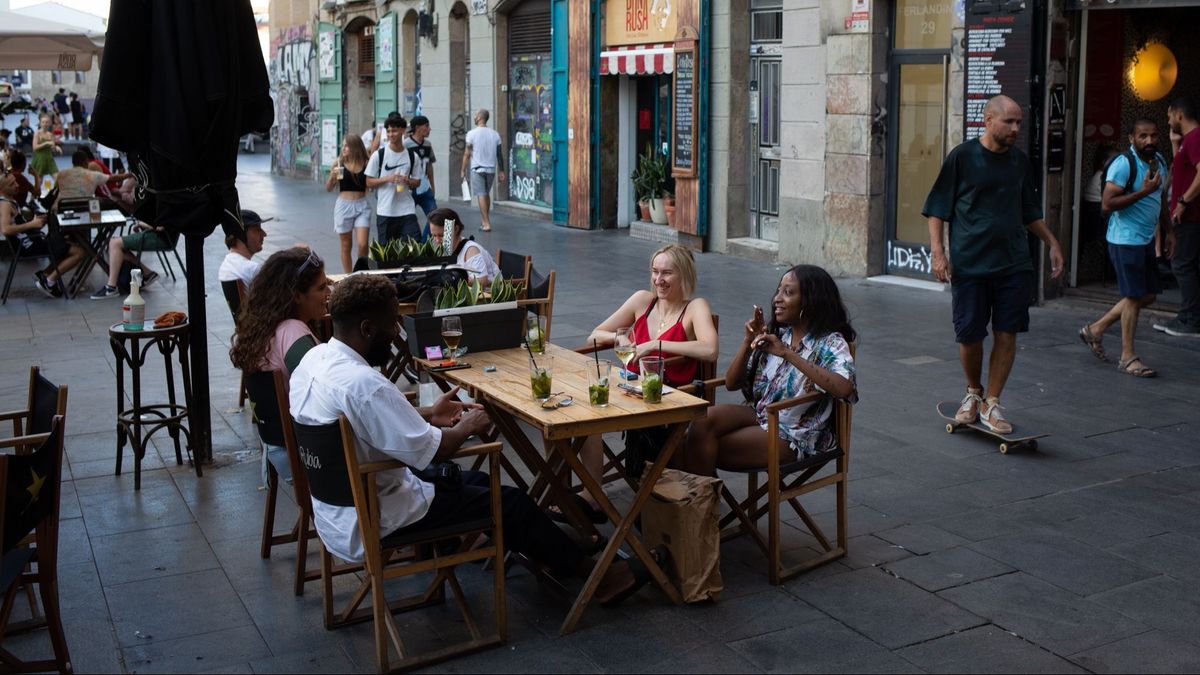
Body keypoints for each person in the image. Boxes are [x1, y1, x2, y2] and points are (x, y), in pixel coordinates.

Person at [289, 273, 650, 604]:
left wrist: (429, 414)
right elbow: (434, 451)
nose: (397, 330)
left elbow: (362, 426)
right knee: (507, 500)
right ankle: (597, 580)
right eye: (391, 323)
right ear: (367, 328)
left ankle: (552, 549)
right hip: (379, 517)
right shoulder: (364, 384)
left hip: (335, 515)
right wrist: (468, 426)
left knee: (476, 480)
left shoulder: (314, 360)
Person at [922, 95, 1065, 435]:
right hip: (971, 265)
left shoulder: (1019, 162)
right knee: (970, 335)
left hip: (1014, 264)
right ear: (988, 120)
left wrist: (1052, 242)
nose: (1017, 129)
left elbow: (1029, 210)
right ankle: (974, 393)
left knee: (1007, 333)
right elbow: (938, 208)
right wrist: (938, 252)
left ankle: (993, 401)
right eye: (1009, 122)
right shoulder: (963, 157)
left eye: (1019, 122)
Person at [557, 244, 718, 515]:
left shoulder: (694, 307)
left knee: (583, 415)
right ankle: (591, 494)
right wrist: (618, 337)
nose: (658, 280)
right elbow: (593, 335)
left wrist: (657, 344)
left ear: (684, 275)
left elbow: (710, 350)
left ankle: (593, 498)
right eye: (655, 272)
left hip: (670, 400)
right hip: (629, 392)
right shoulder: (643, 301)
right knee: (576, 418)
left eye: (667, 273)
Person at [678, 265, 857, 477]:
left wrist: (787, 354)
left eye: (788, 293)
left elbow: (844, 388)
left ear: (810, 301)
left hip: (797, 435)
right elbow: (732, 383)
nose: (777, 299)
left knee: (696, 443)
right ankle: (705, 505)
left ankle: (705, 506)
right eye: (778, 291)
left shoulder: (830, 342)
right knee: (700, 422)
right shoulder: (780, 335)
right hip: (763, 414)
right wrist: (747, 342)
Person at [1078, 120, 1172, 377]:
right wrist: (1142, 192)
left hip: (1145, 240)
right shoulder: (1122, 164)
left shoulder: (1159, 161)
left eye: (1153, 135)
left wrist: (1169, 231)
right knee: (1133, 296)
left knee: (1149, 294)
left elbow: (1160, 197)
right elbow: (1107, 205)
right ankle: (1128, 357)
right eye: (1143, 136)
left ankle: (1096, 329)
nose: (1149, 141)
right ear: (1132, 138)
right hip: (1124, 239)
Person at [231, 247, 330, 485]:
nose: (329, 292)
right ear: (296, 295)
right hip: (309, 460)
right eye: (321, 288)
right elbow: (324, 392)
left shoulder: (262, 329)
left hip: (278, 450)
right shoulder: (293, 333)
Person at [0, 172, 86, 298]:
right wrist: (32, 225)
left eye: (15, 181)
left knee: (69, 244)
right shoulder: (5, 205)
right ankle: (49, 281)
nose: (17, 185)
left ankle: (45, 274)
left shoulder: (9, 201)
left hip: (31, 241)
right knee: (80, 252)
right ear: (1, 188)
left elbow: (18, 226)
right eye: (12, 184)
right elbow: (6, 229)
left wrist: (35, 222)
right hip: (27, 246)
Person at [1159, 97, 1200, 338]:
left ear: (1179, 115)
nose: (1168, 121)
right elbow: (1180, 172)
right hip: (1186, 216)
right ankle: (1187, 316)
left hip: (1191, 216)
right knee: (1185, 265)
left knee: (1183, 266)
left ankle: (1192, 320)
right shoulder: (1187, 141)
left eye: (1169, 116)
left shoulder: (1195, 138)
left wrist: (1183, 202)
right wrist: (1175, 144)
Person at [365, 113, 422, 245]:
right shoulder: (379, 155)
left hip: (407, 210)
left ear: (403, 130)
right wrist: (387, 179)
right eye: (388, 131)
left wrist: (407, 181)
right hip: (385, 211)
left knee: (414, 245)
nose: (391, 134)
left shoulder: (413, 156)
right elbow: (368, 182)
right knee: (386, 255)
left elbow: (417, 182)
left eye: (394, 130)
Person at [325, 134, 371, 273]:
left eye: (346, 145)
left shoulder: (366, 163)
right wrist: (333, 178)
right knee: (346, 245)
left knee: (363, 244)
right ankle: (349, 276)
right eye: (343, 145)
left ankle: (361, 273)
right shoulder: (338, 163)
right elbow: (328, 188)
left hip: (362, 205)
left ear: (355, 147)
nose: (343, 148)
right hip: (343, 206)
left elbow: (370, 184)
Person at [89, 221, 168, 299]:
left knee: (114, 243)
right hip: (159, 235)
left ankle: (111, 288)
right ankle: (148, 273)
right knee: (117, 247)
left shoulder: (167, 209)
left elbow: (160, 227)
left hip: (160, 237)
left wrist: (143, 224)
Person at [427, 208, 500, 286]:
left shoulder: (471, 250)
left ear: (456, 229)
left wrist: (455, 278)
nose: (437, 240)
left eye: (441, 235)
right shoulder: (441, 249)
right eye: (434, 235)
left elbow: (482, 280)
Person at [461, 109, 505, 232]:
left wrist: (462, 169)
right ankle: (485, 219)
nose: (474, 117)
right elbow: (499, 154)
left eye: (475, 115)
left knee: (481, 194)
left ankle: (486, 223)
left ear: (480, 117)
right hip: (491, 169)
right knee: (485, 194)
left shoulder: (471, 134)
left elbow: (467, 153)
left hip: (477, 169)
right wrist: (502, 171)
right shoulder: (495, 134)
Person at [217, 210, 270, 288]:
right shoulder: (252, 269)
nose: (264, 234)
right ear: (240, 234)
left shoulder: (226, 265)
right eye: (257, 229)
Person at [404, 115, 438, 234]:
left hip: (424, 187)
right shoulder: (406, 145)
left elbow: (429, 166)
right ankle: (412, 244)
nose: (429, 129)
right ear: (418, 128)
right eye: (427, 126)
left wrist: (432, 186)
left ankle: (425, 243)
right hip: (410, 187)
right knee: (407, 219)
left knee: (435, 216)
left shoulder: (428, 144)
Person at [56, 150, 131, 201]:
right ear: (85, 161)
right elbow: (113, 178)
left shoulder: (61, 174)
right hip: (85, 207)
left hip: (63, 207)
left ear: (72, 162)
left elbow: (56, 189)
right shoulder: (92, 174)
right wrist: (129, 175)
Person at [29, 115, 61, 189]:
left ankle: (54, 196)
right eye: (43, 122)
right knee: (39, 182)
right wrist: (46, 143)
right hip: (40, 159)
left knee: (58, 179)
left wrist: (56, 147)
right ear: (40, 123)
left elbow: (52, 146)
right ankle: (33, 198)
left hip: (49, 158)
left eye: (46, 122)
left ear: (49, 123)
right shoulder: (37, 133)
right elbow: (35, 147)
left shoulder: (50, 134)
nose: (45, 124)